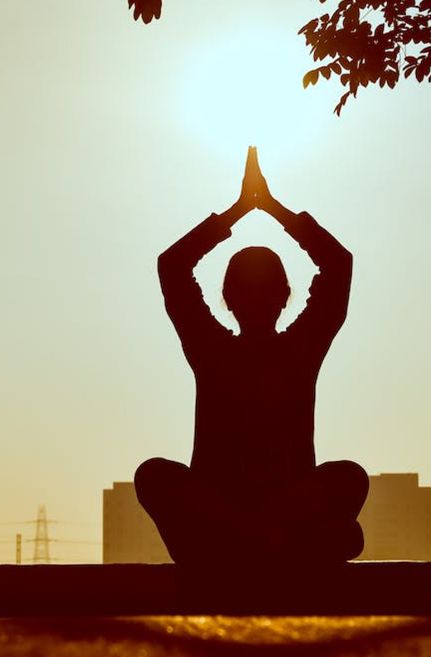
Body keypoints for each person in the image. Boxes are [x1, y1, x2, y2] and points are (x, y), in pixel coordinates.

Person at [135, 147, 368, 566]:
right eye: (249, 290)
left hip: (267, 516)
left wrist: (258, 209)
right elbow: (171, 267)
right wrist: (253, 209)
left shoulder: (290, 349)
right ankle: (264, 540)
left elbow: (338, 265)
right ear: (230, 299)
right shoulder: (217, 349)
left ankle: (255, 538)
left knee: (349, 477)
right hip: (233, 517)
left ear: (280, 297)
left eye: (264, 291)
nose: (257, 300)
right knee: (153, 475)